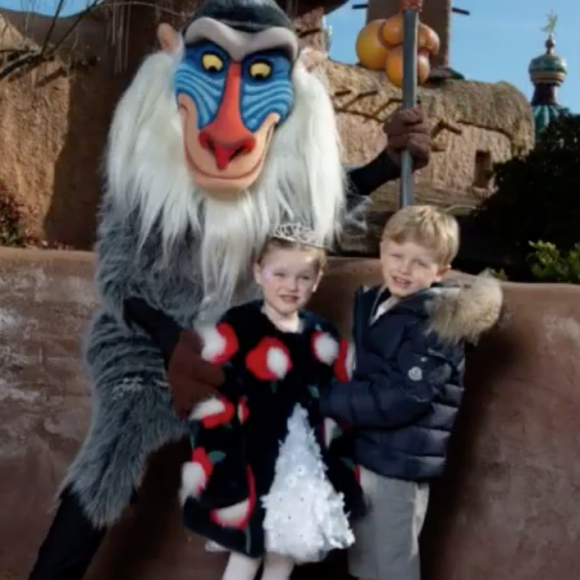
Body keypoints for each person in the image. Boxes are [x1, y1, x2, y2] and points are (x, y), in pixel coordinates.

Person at [25, 0, 432, 577]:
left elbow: (308, 222)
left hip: (236, 341)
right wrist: (171, 344)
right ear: (175, 59)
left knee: (288, 441)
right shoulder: (146, 169)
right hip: (143, 343)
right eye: (214, 66)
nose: (228, 122)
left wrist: (386, 165)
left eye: (260, 74)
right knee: (111, 453)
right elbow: (117, 278)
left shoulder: (279, 167)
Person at [319, 205, 504, 580]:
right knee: (366, 556)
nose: (404, 269)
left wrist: (330, 400)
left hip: (398, 465)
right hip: (369, 453)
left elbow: (403, 397)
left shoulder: (435, 322)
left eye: (420, 263)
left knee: (393, 563)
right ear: (382, 250)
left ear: (441, 272)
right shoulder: (379, 303)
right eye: (397, 255)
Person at [178, 223, 363, 580]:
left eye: (302, 277)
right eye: (280, 273)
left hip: (302, 468)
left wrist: (338, 467)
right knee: (246, 557)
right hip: (251, 465)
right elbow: (213, 401)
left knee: (284, 558)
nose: (291, 286)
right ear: (258, 272)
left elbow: (336, 403)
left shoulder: (321, 333)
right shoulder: (239, 326)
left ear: (317, 279)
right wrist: (222, 475)